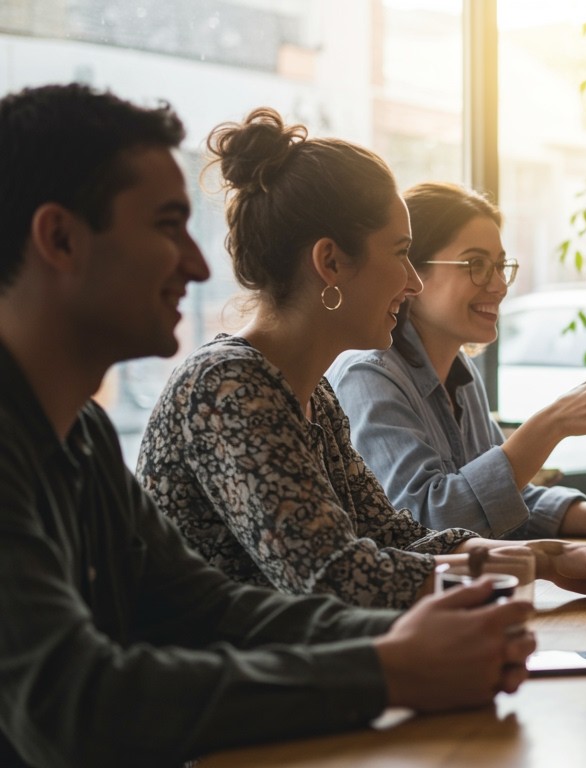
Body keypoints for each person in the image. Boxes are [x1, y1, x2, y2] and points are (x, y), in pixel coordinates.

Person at [0, 83, 536, 767]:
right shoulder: (218, 386)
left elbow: (210, 609)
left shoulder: (82, 434)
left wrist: (400, 648)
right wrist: (389, 668)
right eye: (168, 225)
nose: (196, 265)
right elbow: (77, 703)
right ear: (61, 239)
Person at [136, 108, 586, 610]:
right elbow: (338, 580)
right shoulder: (230, 386)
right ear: (331, 262)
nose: (411, 282)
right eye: (400, 253)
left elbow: (395, 536)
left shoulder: (310, 391)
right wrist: (534, 562)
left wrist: (550, 557)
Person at [328, 182, 586, 537]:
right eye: (476, 264)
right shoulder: (368, 375)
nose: (499, 285)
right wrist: (552, 423)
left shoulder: (460, 372)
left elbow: (505, 501)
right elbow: (426, 524)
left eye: (501, 266)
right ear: (413, 274)